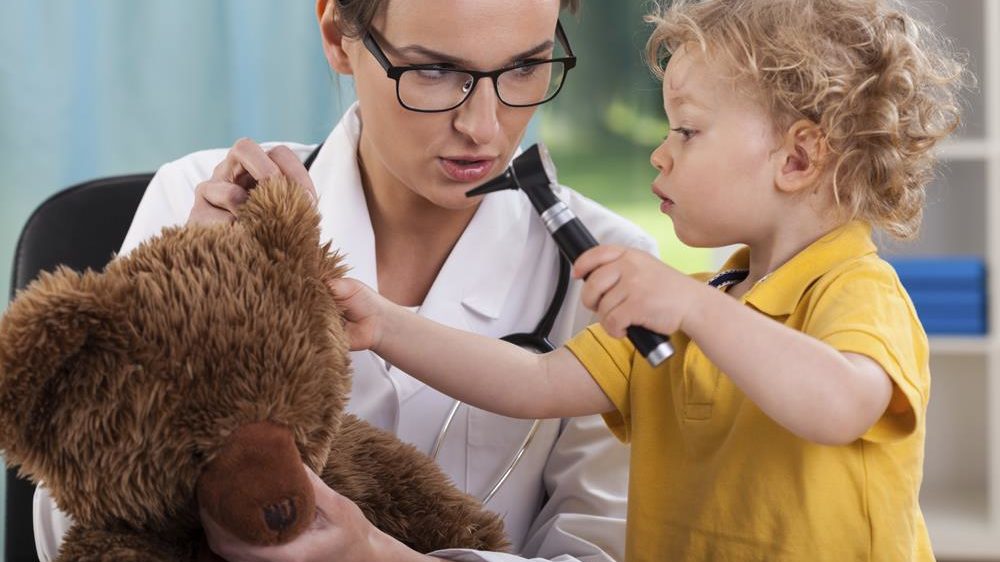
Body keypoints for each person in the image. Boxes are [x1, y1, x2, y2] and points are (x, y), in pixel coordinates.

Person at [325, 0, 969, 560]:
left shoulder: (853, 289)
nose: (660, 153)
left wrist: (692, 307)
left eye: (687, 131)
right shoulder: (698, 297)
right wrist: (384, 324)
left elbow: (838, 405)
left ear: (797, 158)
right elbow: (535, 381)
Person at [32, 1, 659, 561]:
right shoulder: (192, 202)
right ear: (338, 35)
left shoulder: (611, 269)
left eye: (525, 66)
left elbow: (599, 551)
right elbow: (70, 529)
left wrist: (374, 556)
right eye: (435, 70)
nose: (484, 126)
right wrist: (187, 304)